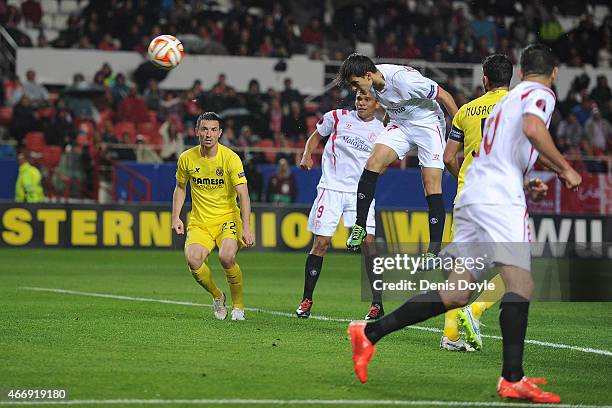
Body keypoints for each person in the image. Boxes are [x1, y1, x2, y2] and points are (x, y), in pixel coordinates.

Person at [347, 44, 582, 403]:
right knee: (520, 282)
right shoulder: (537, 95)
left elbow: (484, 152)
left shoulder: (494, 105)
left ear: (519, 71)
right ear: (553, 73)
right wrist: (565, 168)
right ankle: (511, 378)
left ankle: (370, 333)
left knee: (457, 292)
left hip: (472, 193)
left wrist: (524, 179)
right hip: (498, 198)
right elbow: (534, 130)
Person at [337, 53, 458, 266]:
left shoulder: (405, 80)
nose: (355, 90)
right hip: (400, 123)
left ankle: (433, 251)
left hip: (428, 124)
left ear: (367, 75)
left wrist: (460, 131)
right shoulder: (371, 82)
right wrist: (387, 119)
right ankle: (360, 226)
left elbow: (445, 96)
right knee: (372, 163)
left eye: (356, 83)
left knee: (431, 184)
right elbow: (392, 101)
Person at [440, 54, 513, 352]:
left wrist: (463, 179)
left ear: (485, 78)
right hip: (498, 196)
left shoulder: (466, 111)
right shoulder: (517, 105)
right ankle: (477, 310)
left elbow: (448, 157)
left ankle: (451, 335)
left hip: (467, 197)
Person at [296, 90, 386, 320]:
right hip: (331, 188)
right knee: (321, 243)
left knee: (368, 244)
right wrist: (307, 154)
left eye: (367, 100)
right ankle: (306, 299)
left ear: (377, 104)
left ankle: (377, 304)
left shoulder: (382, 131)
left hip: (361, 193)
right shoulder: (337, 117)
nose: (362, 103)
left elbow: (386, 161)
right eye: (359, 99)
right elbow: (316, 136)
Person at [172, 112, 255, 321]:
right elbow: (180, 188)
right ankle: (218, 296)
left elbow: (243, 194)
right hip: (200, 223)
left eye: (213, 130)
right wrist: (176, 216)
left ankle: (238, 306)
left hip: (227, 219)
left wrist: (246, 227)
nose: (208, 134)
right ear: (197, 131)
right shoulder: (186, 158)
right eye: (204, 129)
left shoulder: (230, 158)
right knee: (193, 260)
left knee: (226, 257)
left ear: (219, 133)